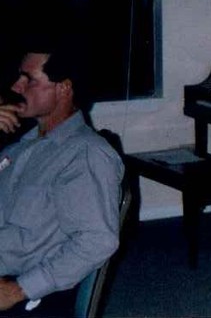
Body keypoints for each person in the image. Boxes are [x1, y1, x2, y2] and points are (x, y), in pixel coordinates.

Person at [0, 40, 124, 317]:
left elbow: (98, 240)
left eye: (29, 79)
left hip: (17, 288)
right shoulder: (22, 146)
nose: (16, 87)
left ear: (64, 88)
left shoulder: (84, 154)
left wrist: (18, 290)